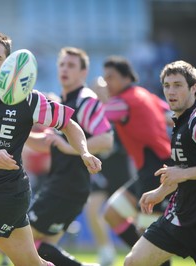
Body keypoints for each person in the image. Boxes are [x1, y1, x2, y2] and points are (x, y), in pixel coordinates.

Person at [0, 31, 102, 266]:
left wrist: (85, 152)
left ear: (8, 64)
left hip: (6, 196)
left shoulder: (27, 99)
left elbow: (69, 124)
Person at [24, 47, 113, 266]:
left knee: (21, 239)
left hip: (67, 188)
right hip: (62, 186)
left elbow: (106, 140)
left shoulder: (86, 100)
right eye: (62, 64)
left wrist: (68, 147)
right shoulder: (64, 105)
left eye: (71, 65)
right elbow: (47, 146)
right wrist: (19, 130)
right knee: (42, 253)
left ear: (84, 72)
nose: (65, 69)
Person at [124, 61, 196, 265]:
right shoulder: (180, 122)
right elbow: (183, 171)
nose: (171, 91)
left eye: (178, 85)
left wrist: (182, 174)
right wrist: (160, 192)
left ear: (194, 88)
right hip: (180, 216)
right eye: (167, 85)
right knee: (133, 262)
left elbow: (184, 173)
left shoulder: (195, 120)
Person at [101, 56, 172, 251]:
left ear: (126, 78)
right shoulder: (145, 95)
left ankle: (144, 258)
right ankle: (141, 258)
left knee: (152, 234)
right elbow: (172, 117)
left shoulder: (122, 101)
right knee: (112, 212)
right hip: (152, 168)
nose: (106, 82)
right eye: (105, 77)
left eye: (111, 77)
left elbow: (97, 119)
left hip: (156, 171)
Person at [84, 76, 135, 266]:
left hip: (122, 173)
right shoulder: (90, 116)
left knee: (134, 218)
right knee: (92, 209)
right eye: (96, 88)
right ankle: (106, 252)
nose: (99, 92)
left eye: (102, 88)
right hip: (101, 173)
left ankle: (140, 251)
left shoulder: (118, 111)